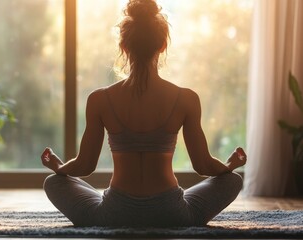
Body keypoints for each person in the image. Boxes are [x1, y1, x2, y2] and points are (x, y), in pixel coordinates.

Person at [41, 0, 246, 227]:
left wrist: (59, 168)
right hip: (173, 214)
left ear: (124, 46)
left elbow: (85, 166)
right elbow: (203, 165)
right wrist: (229, 166)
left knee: (53, 182)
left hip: (114, 215)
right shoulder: (186, 98)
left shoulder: (99, 99)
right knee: (233, 181)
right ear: (162, 46)